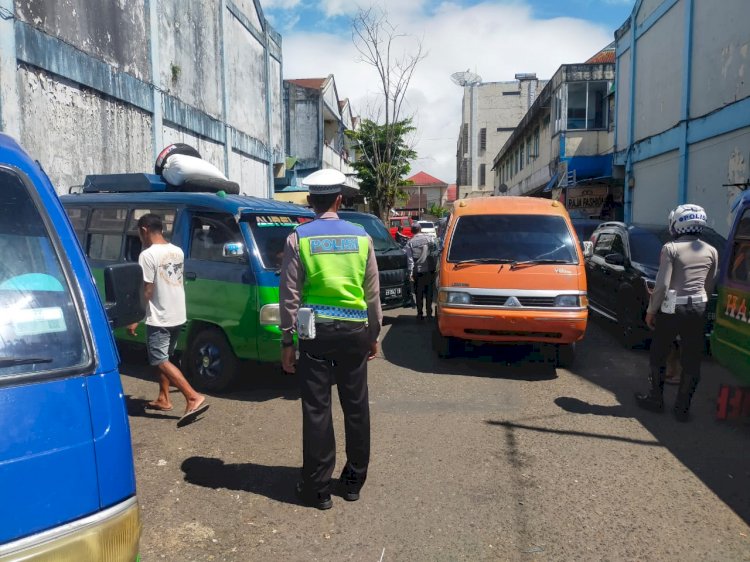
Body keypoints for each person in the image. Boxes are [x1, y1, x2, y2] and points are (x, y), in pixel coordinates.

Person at [279, 169, 382, 510]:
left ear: (310, 201)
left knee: (316, 409)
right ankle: (353, 482)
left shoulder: (299, 238)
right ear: (340, 199)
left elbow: (289, 295)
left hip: (315, 335)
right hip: (355, 332)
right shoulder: (361, 238)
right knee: (356, 407)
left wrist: (286, 342)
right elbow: (372, 293)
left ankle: (318, 489)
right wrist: (374, 334)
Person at [635, 204, 718, 421]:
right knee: (692, 359)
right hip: (698, 307)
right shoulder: (711, 251)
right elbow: (709, 286)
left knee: (659, 353)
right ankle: (682, 409)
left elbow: (662, 286)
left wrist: (651, 310)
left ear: (677, 224)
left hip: (672, 308)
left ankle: (656, 399)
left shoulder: (670, 249)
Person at [127, 213, 208, 427]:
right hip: (177, 313)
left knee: (159, 360)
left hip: (159, 315)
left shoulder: (147, 255)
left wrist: (137, 316)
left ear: (144, 230)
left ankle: (192, 396)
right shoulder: (177, 251)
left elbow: (148, 289)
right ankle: (164, 398)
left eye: (138, 232)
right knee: (166, 358)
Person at [405, 222, 437, 320]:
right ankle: (429, 313)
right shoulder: (430, 238)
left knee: (419, 293)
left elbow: (410, 260)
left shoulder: (410, 243)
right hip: (430, 270)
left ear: (412, 231)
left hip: (418, 272)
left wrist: (410, 273)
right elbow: (435, 252)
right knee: (429, 292)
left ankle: (420, 314)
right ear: (420, 229)